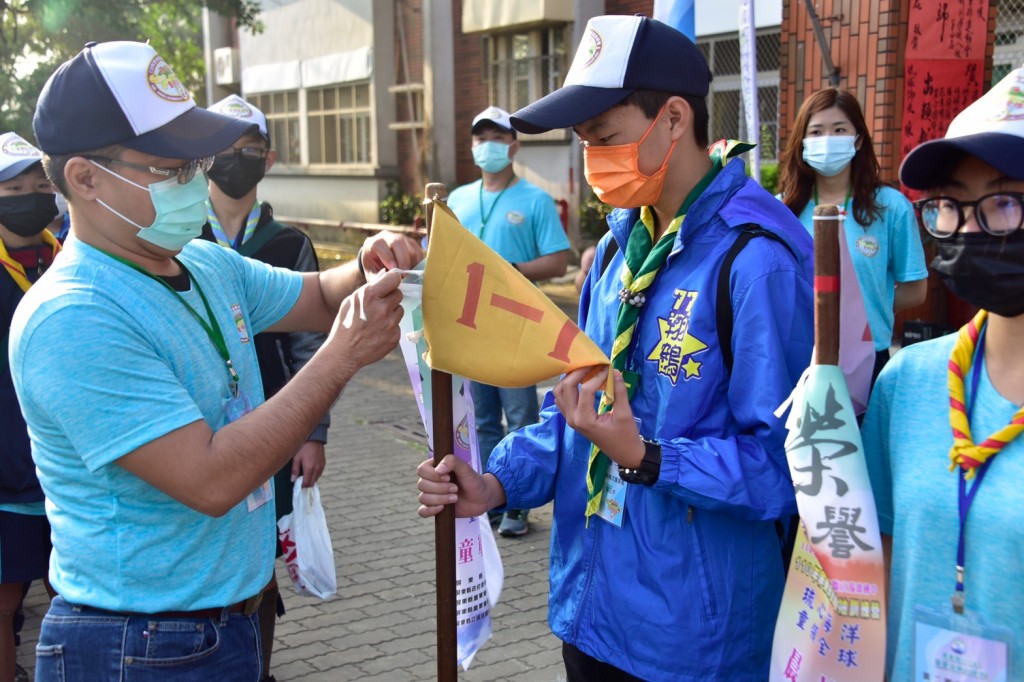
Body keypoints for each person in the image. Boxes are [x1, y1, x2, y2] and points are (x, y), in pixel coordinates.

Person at [418, 16, 814, 681]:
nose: (593, 159)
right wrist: (493, 484)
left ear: (674, 118)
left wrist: (648, 457)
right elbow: (574, 408)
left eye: (607, 137)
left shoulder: (757, 261)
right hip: (592, 609)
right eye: (583, 142)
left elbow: (782, 468)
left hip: (694, 638)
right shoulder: (614, 251)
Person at [10, 41, 421, 680]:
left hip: (223, 623)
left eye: (194, 163)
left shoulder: (201, 263)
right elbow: (209, 480)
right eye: (168, 169)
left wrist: (366, 263)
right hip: (138, 644)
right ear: (85, 179)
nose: (193, 183)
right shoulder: (74, 317)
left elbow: (315, 296)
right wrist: (341, 359)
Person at [862, 66, 1024, 681]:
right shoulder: (907, 383)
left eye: (1005, 202)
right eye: (952, 206)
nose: (971, 227)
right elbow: (881, 559)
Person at [201, 94, 329, 682]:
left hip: (278, 422)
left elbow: (311, 349)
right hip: (197, 425)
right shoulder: (181, 238)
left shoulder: (287, 243)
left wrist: (312, 432)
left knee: (262, 556)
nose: (234, 162)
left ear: (268, 159)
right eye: (222, 152)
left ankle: (259, 667)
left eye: (247, 152)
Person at [446, 105, 571, 537]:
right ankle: (489, 500)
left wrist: (512, 272)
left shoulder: (535, 200)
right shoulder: (457, 199)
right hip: (468, 328)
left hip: (515, 328)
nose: (487, 147)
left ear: (514, 146)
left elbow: (559, 261)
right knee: (479, 419)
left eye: (497, 139)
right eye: (480, 139)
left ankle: (518, 502)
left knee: (520, 416)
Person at [778, 89, 928, 381]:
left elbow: (916, 288)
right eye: (816, 131)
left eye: (839, 130)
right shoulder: (780, 210)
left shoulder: (891, 207)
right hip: (799, 360)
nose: (827, 140)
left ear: (858, 139)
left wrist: (866, 304)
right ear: (802, 143)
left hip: (869, 360)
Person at [0, 133, 59, 682]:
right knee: (4, 598)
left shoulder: (68, 257)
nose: (28, 196)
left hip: (70, 463)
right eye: (13, 188)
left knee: (72, 594)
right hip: (9, 470)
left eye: (39, 185)